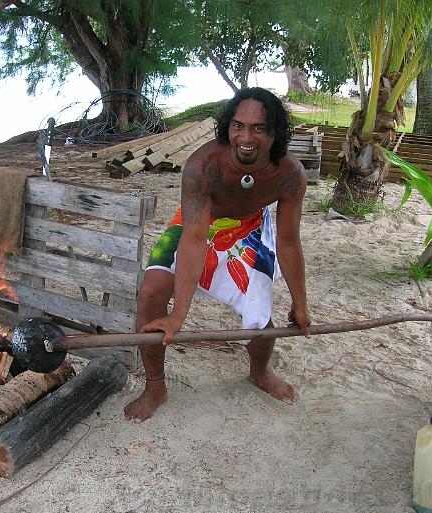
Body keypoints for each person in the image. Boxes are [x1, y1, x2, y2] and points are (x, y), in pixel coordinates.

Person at [124, 87, 311, 423]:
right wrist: (178, 314)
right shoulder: (203, 165)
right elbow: (194, 238)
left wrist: (300, 304)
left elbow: (287, 240)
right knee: (151, 292)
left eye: (259, 128)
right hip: (196, 221)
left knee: (258, 313)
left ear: (276, 133)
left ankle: (260, 372)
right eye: (238, 126)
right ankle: (155, 386)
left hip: (249, 227)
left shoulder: (289, 174)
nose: (246, 137)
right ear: (227, 127)